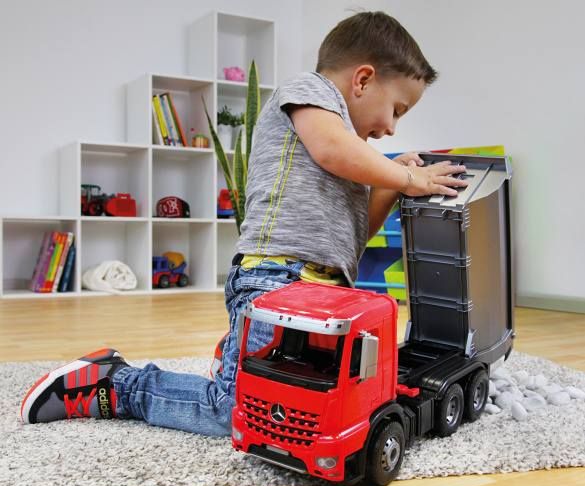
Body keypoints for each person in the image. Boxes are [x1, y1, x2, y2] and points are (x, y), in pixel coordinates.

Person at [20, 11, 467, 435]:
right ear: (362, 79)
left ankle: (234, 353)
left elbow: (355, 237)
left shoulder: (353, 154)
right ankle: (113, 385)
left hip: (325, 295)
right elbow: (332, 150)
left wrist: (391, 188)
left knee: (321, 402)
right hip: (276, 280)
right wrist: (407, 177)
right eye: (397, 109)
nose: (392, 129)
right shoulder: (310, 93)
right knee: (236, 410)